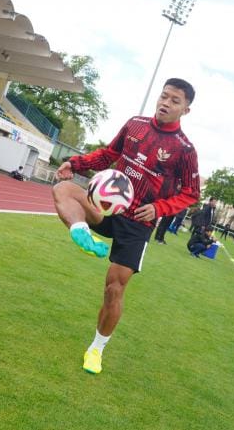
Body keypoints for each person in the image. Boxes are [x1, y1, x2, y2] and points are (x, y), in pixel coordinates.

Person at [51, 78, 199, 375]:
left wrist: (159, 208)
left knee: (113, 290)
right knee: (62, 190)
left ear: (186, 109)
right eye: (164, 96)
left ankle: (96, 349)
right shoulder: (135, 125)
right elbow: (108, 155)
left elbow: (191, 193)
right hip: (106, 208)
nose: (165, 103)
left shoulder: (185, 150)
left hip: (137, 224)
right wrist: (76, 164)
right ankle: (80, 231)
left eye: (175, 101)